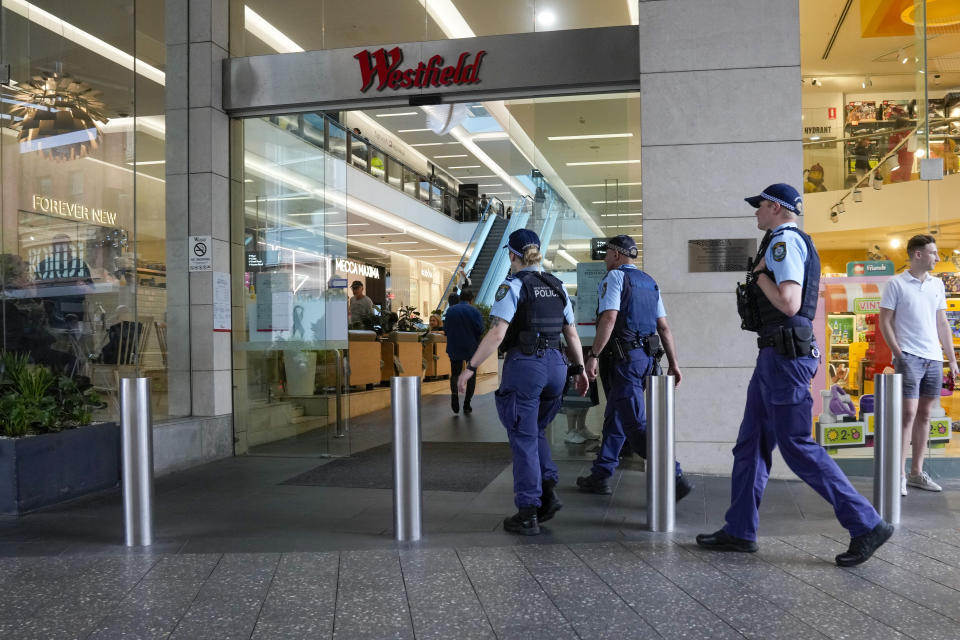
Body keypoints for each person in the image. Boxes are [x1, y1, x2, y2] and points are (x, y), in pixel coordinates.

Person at [697, 183, 893, 567]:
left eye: (759, 207)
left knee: (796, 446)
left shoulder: (782, 242)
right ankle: (739, 529)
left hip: (785, 357)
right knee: (750, 444)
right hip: (775, 355)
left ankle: (866, 523)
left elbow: (788, 302)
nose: (755, 213)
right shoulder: (785, 241)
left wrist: (759, 276)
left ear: (775, 207)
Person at [458, 229, 589, 535]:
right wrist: (580, 369)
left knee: (523, 437)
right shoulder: (557, 287)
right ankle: (548, 494)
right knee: (536, 431)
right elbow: (571, 334)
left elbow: (497, 333)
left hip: (528, 366)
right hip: (558, 366)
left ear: (512, 256)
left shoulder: (513, 286)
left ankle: (528, 511)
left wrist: (471, 367)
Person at [575, 234, 692, 499]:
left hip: (624, 360)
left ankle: (674, 475)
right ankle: (601, 474)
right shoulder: (650, 282)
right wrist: (674, 363)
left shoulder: (616, 278)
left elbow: (609, 318)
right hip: (649, 360)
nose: (605, 259)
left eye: (607, 254)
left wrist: (593, 354)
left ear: (617, 254)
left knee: (634, 424)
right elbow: (663, 327)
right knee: (616, 415)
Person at [878, 234, 958, 496]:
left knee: (925, 414)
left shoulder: (936, 285)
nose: (937, 257)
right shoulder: (896, 284)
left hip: (933, 358)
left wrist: (951, 359)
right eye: (933, 253)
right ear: (918, 254)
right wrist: (898, 353)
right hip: (909, 356)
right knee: (907, 415)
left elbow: (942, 323)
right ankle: (898, 474)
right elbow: (885, 321)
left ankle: (916, 473)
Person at [34, 233, 93, 328]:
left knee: (74, 338)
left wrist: (82, 286)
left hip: (74, 308)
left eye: (64, 244)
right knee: (55, 339)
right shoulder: (43, 265)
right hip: (51, 310)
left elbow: (91, 289)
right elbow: (37, 291)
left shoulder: (79, 264)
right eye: (57, 244)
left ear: (70, 246)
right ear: (53, 247)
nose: (61, 248)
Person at [444, 288, 484, 414]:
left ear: (460, 298)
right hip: (470, 348)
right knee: (471, 375)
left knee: (455, 373)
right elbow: (480, 329)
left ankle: (454, 395)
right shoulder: (474, 311)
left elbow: (446, 329)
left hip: (454, 346)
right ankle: (467, 404)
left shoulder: (450, 310)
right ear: (471, 300)